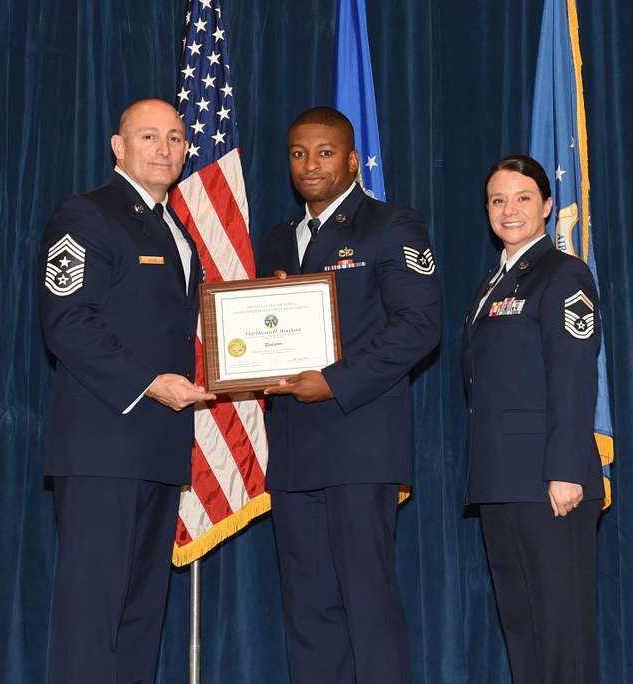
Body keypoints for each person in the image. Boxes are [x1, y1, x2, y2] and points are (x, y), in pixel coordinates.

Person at [257, 106, 441, 684]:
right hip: (294, 452)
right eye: (298, 153)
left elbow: (419, 326)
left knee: (368, 605)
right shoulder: (278, 240)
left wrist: (334, 381)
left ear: (353, 159)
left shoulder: (391, 226)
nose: (311, 165)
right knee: (308, 612)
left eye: (325, 152)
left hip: (360, 447)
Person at [38, 98, 215, 684]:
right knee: (93, 618)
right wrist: (148, 384)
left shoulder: (176, 230)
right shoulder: (86, 215)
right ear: (119, 147)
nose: (165, 149)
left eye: (175, 137)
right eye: (149, 137)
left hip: (160, 450)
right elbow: (67, 322)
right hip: (102, 449)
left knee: (141, 618)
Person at [463, 154, 604, 683]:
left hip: (551, 484)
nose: (509, 210)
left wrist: (566, 468)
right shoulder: (492, 284)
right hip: (503, 481)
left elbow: (573, 377)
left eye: (523, 198)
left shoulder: (563, 274)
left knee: (562, 637)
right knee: (523, 633)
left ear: (547, 206)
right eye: (498, 200)